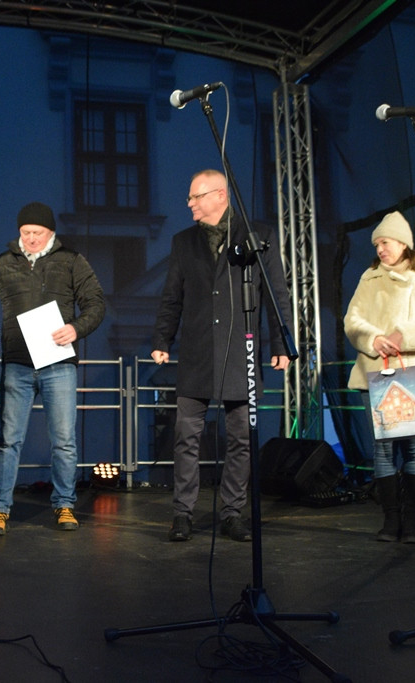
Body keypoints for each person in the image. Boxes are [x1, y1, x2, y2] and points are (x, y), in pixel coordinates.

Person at [151, 170, 292, 543]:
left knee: (241, 439)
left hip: (239, 352)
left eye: (196, 197)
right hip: (197, 353)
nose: (191, 204)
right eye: (190, 198)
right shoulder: (184, 242)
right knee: (186, 436)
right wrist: (162, 339)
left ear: (220, 195)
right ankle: (183, 513)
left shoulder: (257, 236)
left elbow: (276, 294)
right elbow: (172, 297)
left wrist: (280, 345)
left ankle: (232, 513)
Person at [0, 202, 106, 535]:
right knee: (9, 441)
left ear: (51, 233)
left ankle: (64, 505)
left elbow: (96, 302)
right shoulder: (2, 264)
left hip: (58, 363)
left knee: (63, 440)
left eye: (38, 233)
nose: (31, 239)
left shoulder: (71, 261)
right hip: (17, 363)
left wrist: (76, 328)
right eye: (26, 232)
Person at [343, 211, 415, 544]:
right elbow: (352, 320)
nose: (380, 249)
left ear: (403, 243)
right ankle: (391, 521)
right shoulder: (370, 278)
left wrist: (404, 334)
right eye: (377, 244)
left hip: (412, 374)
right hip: (376, 372)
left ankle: (414, 522)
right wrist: (374, 339)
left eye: (385, 242)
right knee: (384, 450)